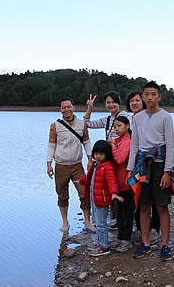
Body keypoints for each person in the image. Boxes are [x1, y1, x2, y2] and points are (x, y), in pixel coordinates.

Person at [126, 81, 174, 262]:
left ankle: (165, 244)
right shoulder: (138, 117)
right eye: (146, 94)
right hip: (143, 164)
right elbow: (134, 145)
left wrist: (167, 171)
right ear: (142, 96)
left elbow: (171, 145)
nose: (149, 98)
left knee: (161, 205)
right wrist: (130, 169)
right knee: (143, 205)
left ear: (159, 96)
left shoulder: (165, 116)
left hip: (159, 163)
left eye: (153, 94)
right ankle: (145, 242)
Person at [84, 91, 129, 229]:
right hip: (109, 156)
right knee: (110, 185)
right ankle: (115, 218)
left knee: (121, 186)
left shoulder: (126, 117)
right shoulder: (107, 119)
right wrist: (90, 109)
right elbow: (87, 124)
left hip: (121, 154)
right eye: (108, 103)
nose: (111, 105)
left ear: (118, 103)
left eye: (113, 102)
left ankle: (122, 218)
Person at [47, 98, 93, 233]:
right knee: (62, 195)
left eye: (69, 106)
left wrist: (90, 160)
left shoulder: (82, 124)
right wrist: (49, 164)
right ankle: (65, 222)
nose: (66, 109)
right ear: (60, 110)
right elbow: (51, 145)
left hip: (77, 165)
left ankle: (87, 222)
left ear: (74, 108)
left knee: (84, 193)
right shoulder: (55, 126)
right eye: (63, 107)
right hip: (60, 166)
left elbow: (86, 142)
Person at [126, 89, 160, 239]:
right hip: (137, 163)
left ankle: (155, 229)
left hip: (153, 161)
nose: (134, 103)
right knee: (139, 196)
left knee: (155, 197)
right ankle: (140, 228)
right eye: (132, 101)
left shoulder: (152, 117)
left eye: (137, 100)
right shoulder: (130, 119)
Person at [80, 140, 122, 257]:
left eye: (101, 154)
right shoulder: (95, 165)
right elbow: (89, 177)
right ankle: (99, 243)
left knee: (101, 224)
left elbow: (111, 181)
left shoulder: (107, 167)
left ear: (107, 154)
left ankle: (104, 246)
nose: (98, 156)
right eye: (96, 153)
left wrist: (114, 192)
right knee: (97, 222)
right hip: (94, 198)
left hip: (102, 199)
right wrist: (81, 180)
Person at [110, 115, 133, 252]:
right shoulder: (118, 140)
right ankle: (120, 237)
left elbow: (120, 159)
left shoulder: (128, 141)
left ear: (127, 126)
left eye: (119, 126)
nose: (117, 129)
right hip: (117, 183)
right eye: (115, 127)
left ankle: (126, 239)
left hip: (126, 183)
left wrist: (112, 146)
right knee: (119, 212)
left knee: (127, 212)